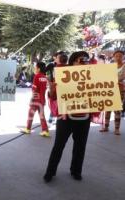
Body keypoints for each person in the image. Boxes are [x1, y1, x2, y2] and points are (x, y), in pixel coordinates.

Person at [44, 51, 91, 183]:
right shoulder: (63, 75)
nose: (83, 63)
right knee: (58, 145)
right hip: (65, 118)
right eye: (80, 60)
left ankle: (76, 171)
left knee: (80, 146)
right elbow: (53, 97)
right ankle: (50, 171)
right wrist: (52, 89)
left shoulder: (93, 76)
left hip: (84, 118)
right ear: (73, 61)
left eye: (86, 60)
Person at [99, 50, 125, 135]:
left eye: (120, 56)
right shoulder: (110, 66)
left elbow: (122, 77)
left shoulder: (124, 66)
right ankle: (106, 127)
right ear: (113, 57)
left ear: (123, 57)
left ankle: (117, 129)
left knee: (117, 109)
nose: (118, 57)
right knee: (108, 108)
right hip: (109, 89)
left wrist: (114, 80)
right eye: (116, 56)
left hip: (120, 90)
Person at [21, 62, 49, 137]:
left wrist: (32, 99)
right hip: (42, 100)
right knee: (42, 116)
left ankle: (28, 129)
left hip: (36, 100)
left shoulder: (37, 76)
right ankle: (45, 130)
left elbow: (34, 89)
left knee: (30, 114)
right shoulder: (45, 77)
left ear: (39, 68)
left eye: (35, 67)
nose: (35, 69)